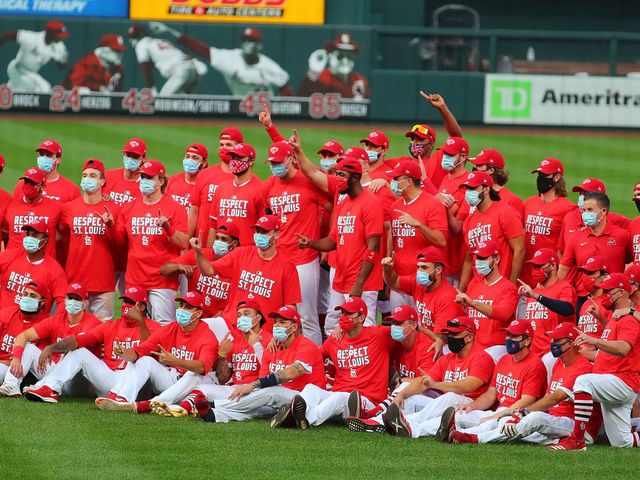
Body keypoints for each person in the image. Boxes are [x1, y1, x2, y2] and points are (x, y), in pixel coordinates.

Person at [451, 322, 598, 445]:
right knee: (511, 422)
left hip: (578, 427)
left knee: (533, 419)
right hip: (555, 421)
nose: (552, 343)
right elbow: (549, 396)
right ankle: (460, 434)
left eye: (557, 340)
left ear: (571, 343)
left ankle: (476, 439)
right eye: (552, 339)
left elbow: (554, 398)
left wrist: (524, 412)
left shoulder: (582, 367)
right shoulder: (559, 363)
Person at [550, 273, 640, 450]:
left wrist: (594, 341)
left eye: (608, 291)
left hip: (621, 381)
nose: (604, 294)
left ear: (621, 293)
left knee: (583, 381)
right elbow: (612, 345)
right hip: (613, 381)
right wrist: (601, 318)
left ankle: (577, 439)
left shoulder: (628, 319)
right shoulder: (616, 319)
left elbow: (623, 348)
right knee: (622, 442)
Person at [22, 287, 156, 403]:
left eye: (131, 303)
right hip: (110, 379)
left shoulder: (154, 327)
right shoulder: (110, 326)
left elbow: (149, 351)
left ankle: (124, 398)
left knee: (144, 360)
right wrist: (51, 347)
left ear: (142, 307)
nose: (126, 305)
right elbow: (76, 341)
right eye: (125, 301)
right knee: (80, 351)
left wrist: (140, 321)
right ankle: (50, 388)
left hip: (135, 382)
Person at [193, 306, 324, 424]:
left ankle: (216, 405)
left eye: (282, 322)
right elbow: (264, 378)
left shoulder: (306, 346)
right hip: (280, 399)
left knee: (270, 392)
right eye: (276, 322)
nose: (277, 326)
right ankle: (216, 415)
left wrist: (251, 386)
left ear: (294, 327)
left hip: (304, 398)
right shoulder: (273, 347)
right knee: (255, 407)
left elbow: (290, 373)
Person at [296, 157, 383, 331]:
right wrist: (311, 243)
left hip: (362, 282)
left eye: (342, 175)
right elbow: (333, 240)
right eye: (337, 175)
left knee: (363, 327)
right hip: (341, 277)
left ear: (356, 178)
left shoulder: (371, 203)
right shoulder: (343, 204)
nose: (338, 180)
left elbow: (373, 247)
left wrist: (359, 283)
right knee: (332, 326)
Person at [95, 291, 218, 413]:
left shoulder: (207, 336)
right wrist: (123, 352)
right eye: (181, 305)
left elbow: (202, 367)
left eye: (188, 307)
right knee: (144, 360)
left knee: (194, 374)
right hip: (171, 380)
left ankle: (151, 404)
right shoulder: (170, 328)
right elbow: (143, 349)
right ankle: (121, 397)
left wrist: (176, 361)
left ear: (199, 313)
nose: (181, 310)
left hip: (193, 386)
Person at [282, 297, 395, 429]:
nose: (343, 317)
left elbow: (405, 332)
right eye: (342, 313)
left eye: (348, 314)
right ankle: (298, 416)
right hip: (338, 392)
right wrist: (282, 343)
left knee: (340, 398)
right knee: (311, 389)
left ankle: (302, 419)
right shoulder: (335, 339)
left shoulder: (379, 335)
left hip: (365, 401)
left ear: (361, 317)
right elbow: (314, 355)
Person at [373, 316, 495, 438]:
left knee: (450, 397)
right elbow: (423, 382)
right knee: (411, 396)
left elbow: (469, 386)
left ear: (469, 337)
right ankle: (376, 422)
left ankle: (407, 426)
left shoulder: (481, 358)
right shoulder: (447, 358)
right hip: (447, 404)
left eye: (455, 334)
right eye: (449, 333)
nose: (451, 337)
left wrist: (436, 385)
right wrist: (401, 394)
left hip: (472, 406)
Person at [261, 140, 331, 345]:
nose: (275, 166)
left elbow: (332, 208)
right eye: (272, 163)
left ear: (291, 160)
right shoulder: (269, 186)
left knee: (307, 315)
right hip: (279, 258)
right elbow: (268, 219)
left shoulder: (308, 182)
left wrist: (327, 242)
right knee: (280, 315)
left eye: (278, 162)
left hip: (304, 258)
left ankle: (314, 364)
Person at [153, 299, 273, 417]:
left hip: (258, 391)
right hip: (236, 389)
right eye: (239, 315)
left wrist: (257, 346)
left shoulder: (269, 340)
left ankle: (190, 407)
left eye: (246, 314)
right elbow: (222, 379)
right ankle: (182, 408)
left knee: (234, 408)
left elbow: (272, 372)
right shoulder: (235, 342)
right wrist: (222, 355)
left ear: (258, 318)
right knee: (201, 389)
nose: (242, 318)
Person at [437, 319, 547, 443]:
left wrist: (495, 416)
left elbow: (526, 401)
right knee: (460, 414)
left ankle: (463, 436)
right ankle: (424, 429)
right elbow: (491, 394)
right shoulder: (504, 360)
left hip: (519, 414)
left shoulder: (535, 364)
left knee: (499, 424)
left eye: (514, 336)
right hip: (500, 411)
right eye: (508, 335)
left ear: (527, 341)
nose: (509, 339)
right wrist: (471, 406)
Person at [193, 215, 301, 332]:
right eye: (258, 231)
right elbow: (208, 270)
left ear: (276, 235)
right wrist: (198, 252)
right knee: (196, 328)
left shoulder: (287, 266)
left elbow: (290, 306)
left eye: (264, 232)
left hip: (262, 332)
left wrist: (283, 332)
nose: (259, 235)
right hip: (231, 324)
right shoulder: (240, 253)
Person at [345, 305, 443, 433]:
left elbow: (426, 383)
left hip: (435, 398)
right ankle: (377, 422)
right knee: (404, 398)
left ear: (413, 326)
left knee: (406, 390)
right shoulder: (398, 344)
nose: (394, 326)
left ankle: (374, 414)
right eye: (393, 322)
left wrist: (403, 382)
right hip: (413, 396)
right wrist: (342, 329)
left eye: (399, 323)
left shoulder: (428, 348)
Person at [114, 160, 188, 324]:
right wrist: (111, 225)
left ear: (161, 181)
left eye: (149, 177)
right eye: (142, 177)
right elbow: (120, 243)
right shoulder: (129, 207)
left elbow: (183, 242)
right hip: (135, 278)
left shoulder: (175, 208)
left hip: (162, 280)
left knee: (163, 325)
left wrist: (168, 228)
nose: (144, 181)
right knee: (132, 324)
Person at [0, 283, 101, 397]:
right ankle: (11, 385)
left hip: (79, 381)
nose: (72, 301)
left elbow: (73, 344)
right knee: (29, 347)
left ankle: (44, 386)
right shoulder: (56, 320)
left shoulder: (93, 323)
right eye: (70, 297)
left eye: (77, 299)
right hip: (56, 374)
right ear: (65, 300)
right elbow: (23, 336)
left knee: (77, 352)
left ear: (85, 303)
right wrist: (16, 358)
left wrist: (50, 348)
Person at [150, 23, 291, 96]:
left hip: (265, 112)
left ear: (259, 45)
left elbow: (285, 88)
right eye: (245, 40)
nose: (247, 44)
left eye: (252, 41)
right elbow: (201, 49)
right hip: (241, 109)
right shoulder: (230, 58)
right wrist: (168, 30)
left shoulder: (270, 66)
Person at [61, 159, 121, 320]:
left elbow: (122, 244)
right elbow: (60, 235)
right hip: (75, 279)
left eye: (93, 175)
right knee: (72, 328)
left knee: (101, 333)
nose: (88, 178)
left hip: (103, 281)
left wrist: (111, 226)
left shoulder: (114, 209)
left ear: (102, 182)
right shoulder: (69, 208)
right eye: (85, 175)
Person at [558, 191, 631, 315]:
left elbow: (631, 260)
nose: (585, 214)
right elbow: (563, 271)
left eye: (590, 210)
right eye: (584, 210)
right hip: (583, 298)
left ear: (603, 212)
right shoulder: (576, 238)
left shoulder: (621, 236)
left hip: (614, 300)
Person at [388, 160, 447, 309]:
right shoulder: (395, 206)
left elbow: (442, 241)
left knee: (422, 329)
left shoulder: (433, 205)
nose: (392, 182)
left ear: (408, 181)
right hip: (399, 282)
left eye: (396, 179)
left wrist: (418, 225)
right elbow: (393, 241)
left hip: (422, 281)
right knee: (400, 325)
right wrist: (390, 277)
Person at [457, 171, 524, 292]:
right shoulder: (469, 221)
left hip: (500, 287)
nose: (468, 193)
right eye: (467, 189)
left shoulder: (505, 212)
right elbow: (468, 260)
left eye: (472, 188)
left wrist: (511, 287)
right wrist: (461, 291)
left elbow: (520, 250)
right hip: (477, 289)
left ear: (486, 190)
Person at [160, 222, 239, 320]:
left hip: (219, 321)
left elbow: (233, 307)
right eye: (217, 238)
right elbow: (163, 270)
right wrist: (179, 267)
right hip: (193, 317)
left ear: (234, 243)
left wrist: (211, 323)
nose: (219, 242)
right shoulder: (199, 254)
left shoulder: (238, 264)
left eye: (224, 239)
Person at [455, 240, 519, 360]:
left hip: (496, 348)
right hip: (473, 347)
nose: (478, 261)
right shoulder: (474, 286)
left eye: (483, 258)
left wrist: (473, 304)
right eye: (477, 257)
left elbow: (505, 314)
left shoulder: (508, 287)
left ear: (496, 260)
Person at [521, 158, 577, 288]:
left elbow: (569, 249)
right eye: (539, 175)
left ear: (557, 177)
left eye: (545, 175)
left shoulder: (568, 208)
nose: (541, 178)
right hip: (527, 276)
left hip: (550, 278)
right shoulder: (529, 203)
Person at [382, 246, 462, 334]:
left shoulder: (447, 298)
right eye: (418, 267)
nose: (419, 272)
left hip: (444, 345)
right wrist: (387, 269)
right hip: (429, 339)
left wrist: (414, 327)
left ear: (438, 270)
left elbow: (440, 339)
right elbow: (394, 282)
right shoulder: (417, 283)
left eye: (424, 268)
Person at [517, 248, 577, 363]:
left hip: (555, 353)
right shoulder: (532, 292)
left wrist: (537, 297)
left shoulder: (565, 288)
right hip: (533, 355)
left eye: (539, 266)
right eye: (534, 266)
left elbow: (567, 309)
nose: (535, 270)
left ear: (553, 266)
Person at [104, 138, 146, 295]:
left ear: (144, 158)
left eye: (135, 156)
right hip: (109, 252)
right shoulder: (108, 177)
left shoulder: (148, 183)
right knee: (102, 301)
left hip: (133, 255)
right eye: (128, 155)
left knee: (133, 302)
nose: (131, 159)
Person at [0, 219, 66, 313]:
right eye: (28, 234)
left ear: (45, 240)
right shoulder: (9, 256)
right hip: (3, 322)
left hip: (33, 325)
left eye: (35, 235)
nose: (30, 238)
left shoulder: (54, 270)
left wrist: (50, 325)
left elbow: (63, 302)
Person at [208, 142, 264, 247]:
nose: (235, 161)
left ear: (251, 161)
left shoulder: (261, 189)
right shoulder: (221, 187)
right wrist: (210, 254)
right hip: (221, 253)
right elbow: (213, 226)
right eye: (233, 157)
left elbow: (265, 230)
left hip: (246, 254)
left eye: (240, 158)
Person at [188, 127, 240, 239]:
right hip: (203, 243)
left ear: (239, 147)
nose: (224, 148)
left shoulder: (242, 178)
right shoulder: (204, 174)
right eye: (221, 145)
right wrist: (186, 240)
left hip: (231, 244)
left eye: (228, 145)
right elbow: (194, 211)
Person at [126, 23, 203, 96]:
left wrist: (152, 89)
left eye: (134, 37)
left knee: (162, 102)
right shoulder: (160, 41)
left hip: (179, 69)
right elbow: (179, 53)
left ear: (140, 36)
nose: (132, 40)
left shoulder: (141, 44)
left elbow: (145, 67)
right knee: (181, 101)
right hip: (192, 69)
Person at [3, 167, 62, 260]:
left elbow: (64, 231)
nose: (28, 185)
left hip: (41, 265)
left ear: (42, 186)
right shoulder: (11, 205)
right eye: (26, 182)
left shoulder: (56, 207)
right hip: (14, 264)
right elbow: (5, 234)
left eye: (32, 183)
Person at [0, 20, 69, 93]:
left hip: (31, 73)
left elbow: (62, 65)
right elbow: (6, 35)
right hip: (17, 68)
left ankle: (5, 94)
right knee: (41, 89)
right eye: (59, 36)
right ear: (50, 34)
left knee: (45, 88)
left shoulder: (59, 46)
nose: (61, 38)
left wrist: (62, 62)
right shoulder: (32, 38)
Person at [0, 283, 49, 384]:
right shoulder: (6, 314)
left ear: (42, 302)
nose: (27, 298)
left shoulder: (46, 323)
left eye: (33, 296)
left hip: (23, 371)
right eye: (25, 294)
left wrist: (8, 362)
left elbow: (34, 361)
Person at [297, 31, 369, 99]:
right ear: (330, 56)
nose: (345, 61)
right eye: (340, 56)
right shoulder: (320, 77)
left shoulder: (359, 80)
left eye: (350, 57)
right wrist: (313, 73)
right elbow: (302, 100)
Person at [13, 139, 81, 204]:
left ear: (58, 160)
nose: (44, 158)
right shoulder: (22, 185)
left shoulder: (71, 190)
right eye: (41, 154)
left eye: (49, 155)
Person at [468, 148, 523, 219]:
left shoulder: (512, 201)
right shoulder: (471, 195)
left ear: (491, 170)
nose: (474, 168)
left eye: (479, 165)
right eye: (475, 165)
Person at [166, 143, 208, 214]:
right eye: (187, 157)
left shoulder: (206, 185)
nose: (189, 161)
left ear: (204, 163)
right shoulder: (172, 180)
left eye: (195, 158)